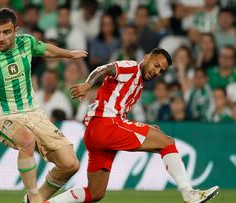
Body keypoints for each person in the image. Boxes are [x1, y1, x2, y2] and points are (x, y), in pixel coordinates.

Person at [44, 48, 219, 203]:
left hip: (97, 133)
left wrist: (144, 127)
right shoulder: (131, 67)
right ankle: (189, 194)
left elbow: (119, 112)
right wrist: (87, 85)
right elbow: (103, 69)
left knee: (96, 193)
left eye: (161, 71)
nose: (156, 72)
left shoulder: (139, 84)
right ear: (147, 57)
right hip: (105, 124)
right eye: (156, 65)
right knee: (167, 143)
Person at [0, 8, 87, 203]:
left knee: (70, 164)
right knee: (26, 141)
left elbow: (46, 49)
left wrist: (69, 55)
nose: (0, 37)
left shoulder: (26, 43)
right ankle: (35, 198)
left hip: (34, 114)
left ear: (15, 30)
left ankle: (32, 200)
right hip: (4, 117)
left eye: (6, 32)